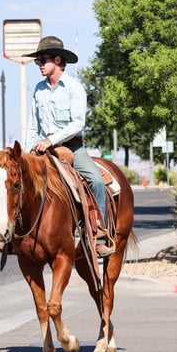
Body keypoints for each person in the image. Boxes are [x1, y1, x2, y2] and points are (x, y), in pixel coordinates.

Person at [22, 36, 114, 257]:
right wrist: (26, 153)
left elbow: (77, 123)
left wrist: (51, 140)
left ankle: (98, 233)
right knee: (19, 181)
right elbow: (32, 125)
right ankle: (15, 234)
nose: (39, 64)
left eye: (43, 60)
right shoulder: (39, 89)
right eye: (37, 61)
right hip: (42, 150)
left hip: (71, 148)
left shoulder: (74, 88)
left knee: (96, 181)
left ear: (57, 60)